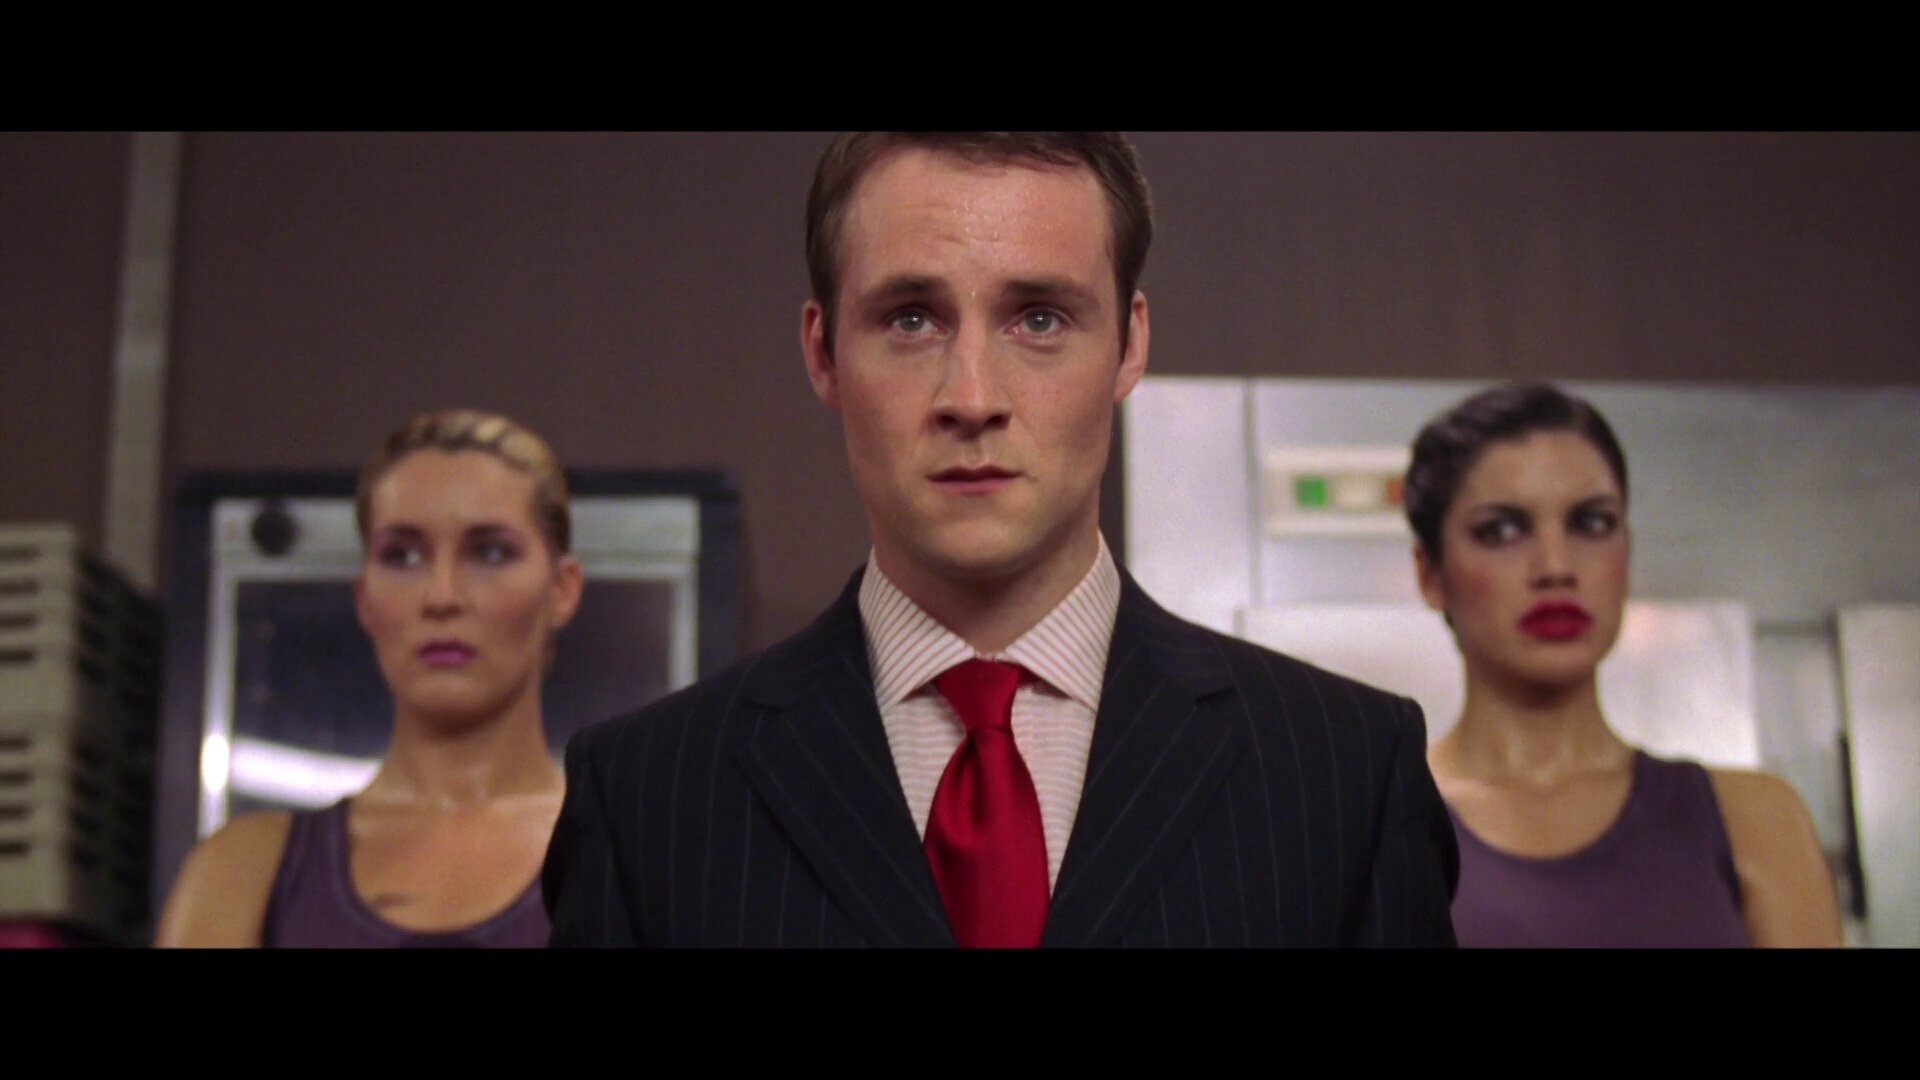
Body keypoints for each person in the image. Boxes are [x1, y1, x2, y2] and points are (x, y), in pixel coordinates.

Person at [543, 132, 1458, 947]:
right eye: (911, 319)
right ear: (823, 353)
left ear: (1129, 345)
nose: (972, 398)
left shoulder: (1341, 772)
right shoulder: (648, 794)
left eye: (1039, 319)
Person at [1406, 381, 1843, 947]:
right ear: (1430, 574)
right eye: (1503, 529)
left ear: (1626, 551)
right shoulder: (1383, 831)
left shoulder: (1755, 821)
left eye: (1591, 523)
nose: (1556, 566)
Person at [155, 410, 584, 947]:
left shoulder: (633, 859)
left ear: (562, 589)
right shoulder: (244, 871)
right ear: (364, 597)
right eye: (402, 555)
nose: (442, 596)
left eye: (489, 551)